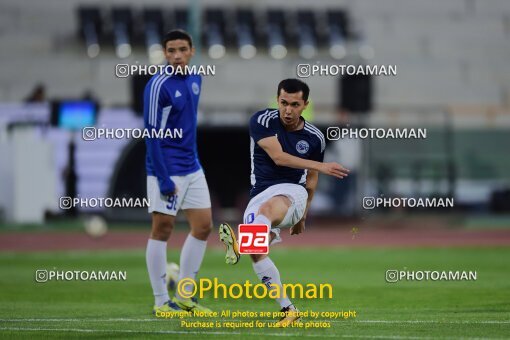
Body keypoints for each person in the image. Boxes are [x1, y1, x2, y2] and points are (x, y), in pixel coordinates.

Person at [219, 78, 349, 326]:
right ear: (277, 99)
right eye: (283, 103)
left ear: (305, 105)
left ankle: (240, 244)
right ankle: (289, 309)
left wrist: (303, 215)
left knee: (266, 214)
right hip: (259, 193)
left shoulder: (314, 138)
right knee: (257, 251)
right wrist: (322, 165)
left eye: (295, 104)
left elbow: (311, 180)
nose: (288, 110)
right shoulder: (261, 120)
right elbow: (279, 157)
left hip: (293, 192)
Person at [144, 29, 212, 314]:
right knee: (162, 230)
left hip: (192, 166)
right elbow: (151, 134)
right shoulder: (158, 85)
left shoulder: (196, 78)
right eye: (171, 50)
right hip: (166, 169)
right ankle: (161, 301)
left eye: (182, 49)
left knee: (204, 226)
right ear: (164, 52)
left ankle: (185, 295)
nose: (176, 55)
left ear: (192, 51)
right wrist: (163, 178)